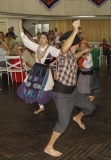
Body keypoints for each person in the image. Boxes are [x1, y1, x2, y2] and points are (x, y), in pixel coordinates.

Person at [44, 20, 96, 157]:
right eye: (79, 42)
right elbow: (64, 49)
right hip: (61, 94)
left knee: (90, 108)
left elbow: (75, 55)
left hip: (73, 92)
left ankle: (78, 118)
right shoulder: (63, 54)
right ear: (75, 43)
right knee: (63, 123)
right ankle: (49, 147)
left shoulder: (72, 56)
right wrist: (74, 31)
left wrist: (84, 50)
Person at [17, 20, 60, 114]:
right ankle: (41, 107)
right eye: (40, 38)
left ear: (47, 39)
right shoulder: (36, 47)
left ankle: (56, 104)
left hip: (44, 70)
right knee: (33, 87)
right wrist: (20, 26)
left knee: (44, 88)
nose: (41, 39)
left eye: (44, 38)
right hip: (36, 69)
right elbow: (25, 40)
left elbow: (61, 53)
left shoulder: (51, 48)